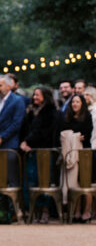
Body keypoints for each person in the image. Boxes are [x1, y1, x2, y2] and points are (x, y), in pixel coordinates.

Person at [19, 86, 62, 223]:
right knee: (33, 181)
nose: (34, 97)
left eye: (37, 95)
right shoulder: (32, 111)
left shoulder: (51, 113)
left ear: (45, 96)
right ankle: (35, 211)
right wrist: (24, 142)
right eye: (34, 95)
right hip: (32, 152)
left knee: (45, 181)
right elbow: (26, 129)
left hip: (45, 151)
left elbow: (44, 133)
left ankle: (46, 211)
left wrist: (28, 142)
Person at [0, 75, 26, 187]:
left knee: (11, 179)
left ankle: (13, 204)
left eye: (0, 85)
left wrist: (1, 138)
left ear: (9, 86)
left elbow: (16, 124)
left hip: (9, 145)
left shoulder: (17, 101)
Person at [62, 93, 93, 221]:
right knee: (74, 182)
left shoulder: (87, 117)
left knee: (85, 182)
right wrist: (74, 137)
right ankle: (77, 211)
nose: (74, 104)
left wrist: (73, 136)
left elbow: (86, 134)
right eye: (73, 102)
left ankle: (87, 211)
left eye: (77, 102)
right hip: (70, 152)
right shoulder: (67, 117)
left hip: (84, 153)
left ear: (82, 104)